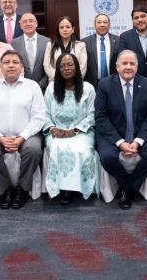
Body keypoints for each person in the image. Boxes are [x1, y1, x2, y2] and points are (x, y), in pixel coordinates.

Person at [0, 51, 45, 210]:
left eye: (15, 62)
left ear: (21, 67)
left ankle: (22, 189)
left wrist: (22, 137)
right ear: (0, 67)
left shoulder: (32, 87)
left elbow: (39, 117)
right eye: (6, 62)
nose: (11, 65)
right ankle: (5, 190)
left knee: (34, 150)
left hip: (27, 135)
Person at [95, 50, 147, 209]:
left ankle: (127, 188)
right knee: (107, 157)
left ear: (137, 67)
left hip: (139, 133)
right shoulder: (105, 85)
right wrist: (120, 142)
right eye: (124, 63)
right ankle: (128, 187)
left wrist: (138, 141)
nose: (128, 67)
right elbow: (101, 117)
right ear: (117, 67)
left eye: (132, 64)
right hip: (113, 134)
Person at [43, 53, 99, 205]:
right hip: (57, 132)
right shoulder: (50, 89)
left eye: (70, 65)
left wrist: (74, 131)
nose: (67, 68)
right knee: (57, 147)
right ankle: (63, 189)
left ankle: (80, 188)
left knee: (82, 149)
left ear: (77, 67)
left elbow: (92, 114)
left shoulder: (88, 88)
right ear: (58, 69)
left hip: (82, 131)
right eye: (63, 65)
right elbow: (45, 114)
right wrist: (52, 128)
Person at [116, 7, 147, 91]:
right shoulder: (125, 37)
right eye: (136, 18)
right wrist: (139, 81)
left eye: (143, 16)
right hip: (133, 84)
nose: (139, 20)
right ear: (133, 21)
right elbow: (123, 60)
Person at [11, 13, 50, 91]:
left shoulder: (47, 42)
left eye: (31, 21)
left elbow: (51, 65)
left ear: (36, 24)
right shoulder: (14, 43)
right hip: (20, 87)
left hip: (43, 87)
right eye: (24, 22)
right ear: (21, 26)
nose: (28, 24)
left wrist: (42, 84)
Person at [82, 13, 119, 88]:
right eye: (99, 22)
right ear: (94, 25)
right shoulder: (85, 42)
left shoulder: (118, 40)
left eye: (105, 22)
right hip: (92, 84)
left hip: (114, 83)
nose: (102, 25)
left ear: (109, 25)